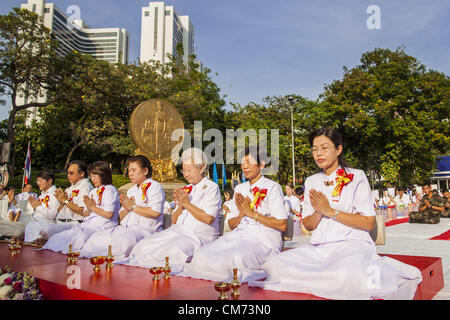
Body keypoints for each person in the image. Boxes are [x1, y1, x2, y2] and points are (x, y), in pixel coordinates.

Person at [248, 128, 422, 300]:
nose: (318, 153)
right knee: (276, 264)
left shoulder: (357, 176)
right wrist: (318, 213)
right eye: (315, 149)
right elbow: (308, 225)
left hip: (351, 245)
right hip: (319, 248)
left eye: (324, 148)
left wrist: (330, 211)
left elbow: (368, 223)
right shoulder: (312, 181)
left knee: (346, 273)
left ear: (338, 150)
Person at [178, 146, 288, 282]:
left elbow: (282, 225)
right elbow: (231, 224)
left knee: (235, 259)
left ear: (262, 164)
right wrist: (242, 214)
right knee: (202, 255)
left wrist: (252, 214)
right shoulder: (240, 188)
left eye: (249, 162)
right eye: (243, 163)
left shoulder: (272, 187)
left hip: (263, 239)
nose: (245, 166)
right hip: (239, 235)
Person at [119, 148, 222, 273]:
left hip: (197, 236)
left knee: (168, 251)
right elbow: (173, 220)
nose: (185, 174)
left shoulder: (212, 187)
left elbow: (208, 218)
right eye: (184, 170)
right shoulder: (187, 188)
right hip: (178, 231)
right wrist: (180, 206)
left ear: (201, 168)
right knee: (143, 246)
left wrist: (187, 204)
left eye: (189, 170)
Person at [80, 155, 165, 260]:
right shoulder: (131, 190)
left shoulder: (154, 186)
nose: (130, 174)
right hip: (125, 228)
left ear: (145, 171)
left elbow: (155, 212)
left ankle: (109, 262)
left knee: (122, 241)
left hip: (145, 230)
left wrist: (133, 207)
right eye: (129, 171)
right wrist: (126, 209)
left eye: (134, 170)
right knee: (97, 238)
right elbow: (120, 217)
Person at [42, 161, 120, 253]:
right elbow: (85, 213)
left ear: (104, 175)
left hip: (101, 226)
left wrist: (93, 207)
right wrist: (89, 208)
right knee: (57, 238)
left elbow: (109, 214)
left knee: (78, 239)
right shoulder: (93, 192)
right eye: (91, 176)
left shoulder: (110, 190)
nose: (92, 179)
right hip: (87, 224)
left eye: (95, 176)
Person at [38, 161, 93, 240]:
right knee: (38, 228)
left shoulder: (85, 187)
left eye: (71, 173)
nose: (68, 175)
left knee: (45, 229)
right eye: (68, 173)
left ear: (81, 173)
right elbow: (59, 211)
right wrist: (61, 202)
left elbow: (82, 211)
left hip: (74, 224)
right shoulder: (69, 189)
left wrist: (65, 201)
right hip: (61, 222)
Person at [23, 171, 59, 244]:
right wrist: (34, 207)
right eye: (37, 181)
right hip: (36, 224)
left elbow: (53, 215)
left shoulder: (54, 194)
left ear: (49, 181)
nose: (38, 183)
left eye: (40, 181)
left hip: (45, 226)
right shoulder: (42, 194)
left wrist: (38, 207)